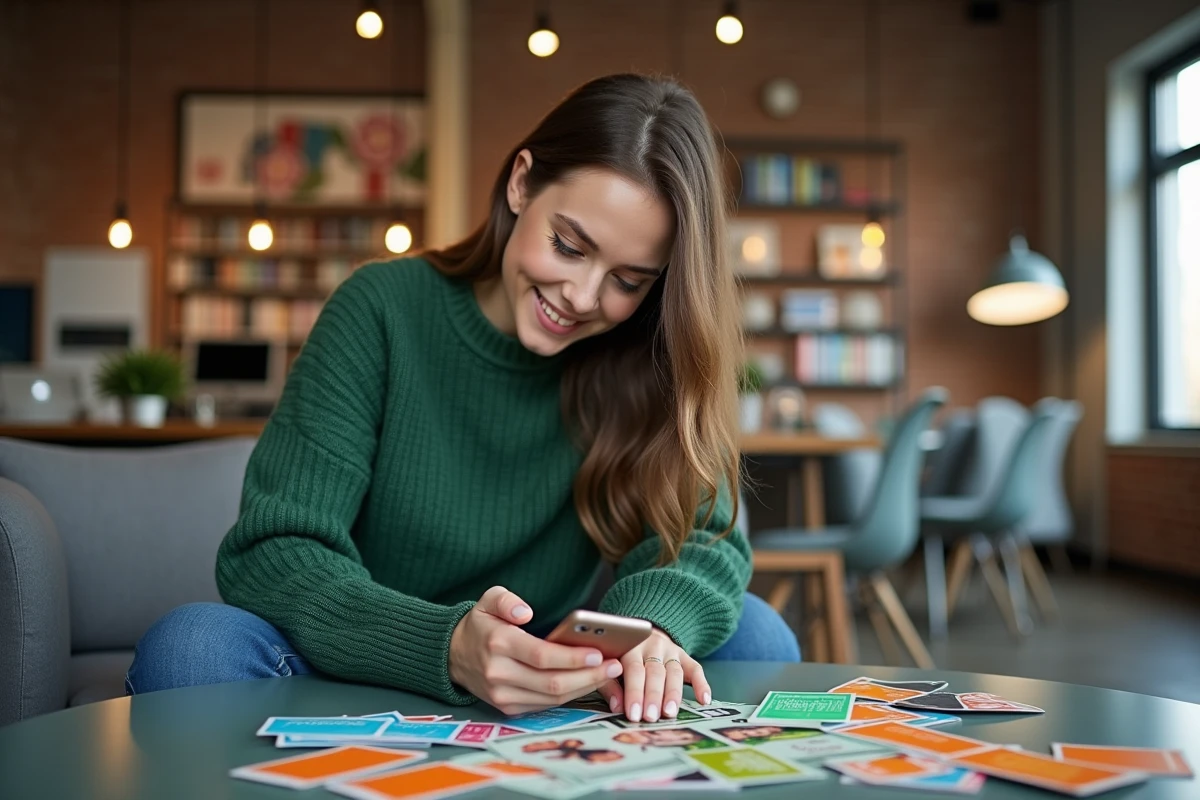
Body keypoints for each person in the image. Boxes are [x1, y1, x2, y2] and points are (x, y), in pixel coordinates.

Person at [126, 73, 800, 724]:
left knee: (759, 636)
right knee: (192, 648)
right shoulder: (383, 310)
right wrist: (444, 645)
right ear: (520, 183)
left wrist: (647, 631)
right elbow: (274, 549)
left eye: (628, 280)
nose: (584, 297)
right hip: (361, 664)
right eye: (568, 245)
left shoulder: (647, 353)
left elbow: (706, 543)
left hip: (551, 686)